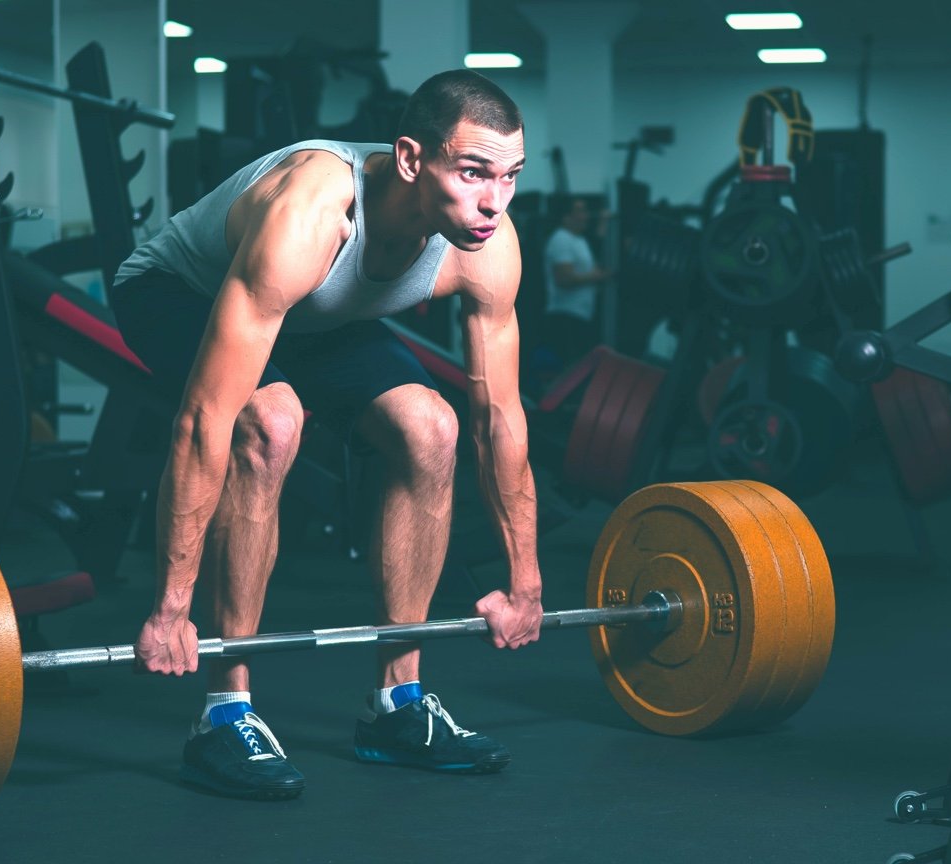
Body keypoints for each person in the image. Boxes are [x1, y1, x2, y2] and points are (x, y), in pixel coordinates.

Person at [109, 69, 543, 801]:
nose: (493, 201)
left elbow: (499, 417)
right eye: (472, 173)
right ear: (411, 159)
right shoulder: (310, 210)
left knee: (431, 429)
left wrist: (525, 581)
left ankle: (397, 706)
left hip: (318, 315)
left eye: (509, 177)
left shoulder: (487, 244)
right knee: (269, 424)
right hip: (180, 291)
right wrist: (170, 606)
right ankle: (225, 711)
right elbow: (203, 422)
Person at [539, 196, 608, 371]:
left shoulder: (580, 241)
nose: (585, 216)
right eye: (580, 211)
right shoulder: (561, 239)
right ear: (566, 217)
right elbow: (563, 279)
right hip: (565, 317)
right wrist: (598, 277)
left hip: (580, 316)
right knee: (569, 372)